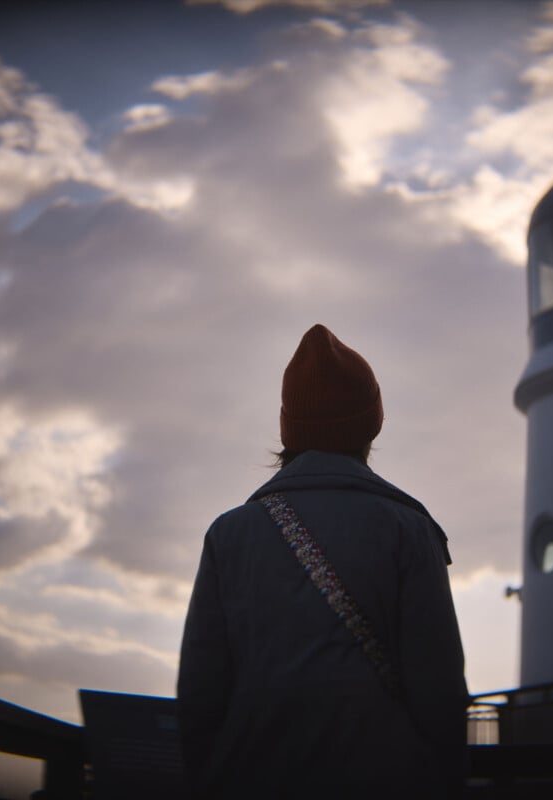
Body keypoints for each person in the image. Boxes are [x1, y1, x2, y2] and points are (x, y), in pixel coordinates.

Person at [177, 323, 469, 799]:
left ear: (289, 430)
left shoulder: (229, 534)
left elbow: (199, 697)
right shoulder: (410, 531)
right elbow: (439, 692)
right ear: (370, 424)